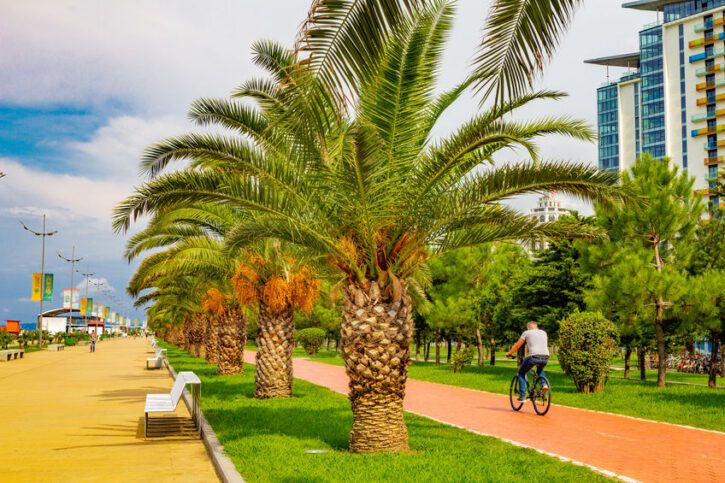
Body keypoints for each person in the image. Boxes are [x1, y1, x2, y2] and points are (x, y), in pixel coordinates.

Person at [506, 321, 549, 402]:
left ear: (528, 327)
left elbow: (517, 345)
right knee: (539, 370)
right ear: (536, 326)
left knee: (521, 373)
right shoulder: (543, 332)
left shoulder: (527, 332)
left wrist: (510, 353)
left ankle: (522, 396)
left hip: (534, 356)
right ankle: (544, 384)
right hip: (546, 356)